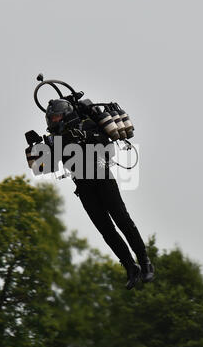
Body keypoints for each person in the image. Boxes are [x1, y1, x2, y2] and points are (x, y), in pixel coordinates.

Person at [26, 99, 154, 290]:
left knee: (122, 220)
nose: (54, 120)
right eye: (51, 117)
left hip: (102, 176)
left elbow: (105, 141)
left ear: (66, 114)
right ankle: (130, 266)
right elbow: (45, 167)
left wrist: (85, 135)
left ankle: (144, 262)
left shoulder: (86, 123)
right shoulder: (55, 138)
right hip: (83, 186)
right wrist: (36, 148)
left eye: (56, 116)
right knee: (105, 229)